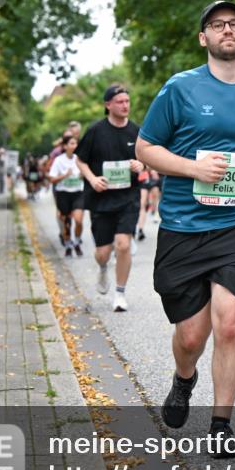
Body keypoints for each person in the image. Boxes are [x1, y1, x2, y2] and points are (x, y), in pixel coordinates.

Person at [135, 0, 235, 455]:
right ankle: (184, 379)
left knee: (230, 323)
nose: (226, 30)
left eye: (233, 24)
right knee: (192, 337)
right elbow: (145, 148)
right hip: (184, 225)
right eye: (217, 25)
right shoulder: (180, 88)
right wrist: (193, 168)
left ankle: (221, 426)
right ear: (204, 38)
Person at [74, 85, 144, 312]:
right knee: (103, 253)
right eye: (120, 102)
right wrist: (92, 179)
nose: (125, 105)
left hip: (128, 197)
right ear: (108, 105)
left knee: (123, 245)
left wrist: (141, 165)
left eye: (127, 101)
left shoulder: (136, 131)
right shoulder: (95, 131)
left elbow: (148, 158)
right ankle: (103, 268)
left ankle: (120, 294)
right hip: (101, 199)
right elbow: (80, 160)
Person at [47, 134, 85, 257]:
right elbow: (52, 179)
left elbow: (87, 173)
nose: (75, 146)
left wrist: (83, 175)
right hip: (63, 194)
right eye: (72, 143)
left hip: (78, 193)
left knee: (78, 220)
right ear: (65, 146)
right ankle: (68, 245)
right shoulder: (59, 160)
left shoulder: (80, 159)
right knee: (66, 223)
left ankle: (77, 241)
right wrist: (65, 175)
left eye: (76, 143)